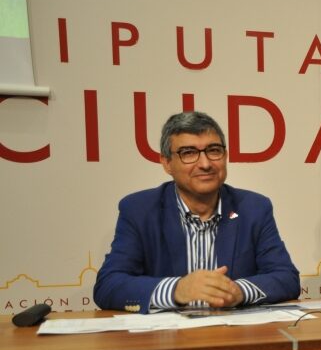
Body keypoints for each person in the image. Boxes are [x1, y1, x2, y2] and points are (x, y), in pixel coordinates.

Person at [94, 111, 300, 313]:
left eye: (214, 150)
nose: (205, 164)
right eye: (189, 153)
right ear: (166, 163)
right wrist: (176, 289)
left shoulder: (253, 208)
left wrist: (239, 291)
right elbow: (108, 285)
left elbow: (286, 278)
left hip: (233, 332)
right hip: (168, 334)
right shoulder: (139, 210)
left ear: (225, 156)